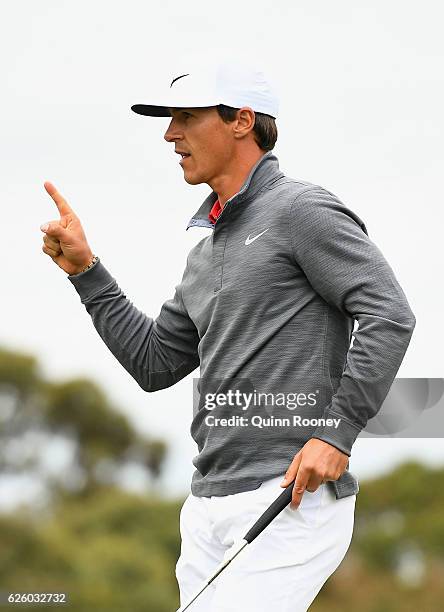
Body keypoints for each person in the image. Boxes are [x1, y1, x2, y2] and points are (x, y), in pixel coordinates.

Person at [40, 57, 416, 611]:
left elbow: (389, 313)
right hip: (207, 507)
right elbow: (154, 363)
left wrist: (338, 433)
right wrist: (86, 272)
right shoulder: (205, 252)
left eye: (187, 118)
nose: (171, 134)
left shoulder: (302, 210)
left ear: (242, 120)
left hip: (288, 498)